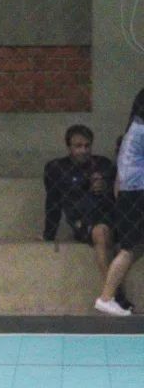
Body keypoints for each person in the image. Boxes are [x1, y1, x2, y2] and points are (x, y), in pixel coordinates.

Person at [44, 125, 118, 299]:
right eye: (78, 146)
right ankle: (112, 294)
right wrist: (49, 233)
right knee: (100, 233)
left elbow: (115, 196)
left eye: (87, 146)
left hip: (108, 216)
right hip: (83, 220)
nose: (83, 150)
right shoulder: (58, 168)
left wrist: (104, 187)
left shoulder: (103, 164)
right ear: (69, 147)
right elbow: (53, 202)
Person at [96, 90, 144, 316]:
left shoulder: (134, 129)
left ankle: (109, 296)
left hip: (131, 193)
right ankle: (106, 297)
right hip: (136, 195)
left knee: (135, 247)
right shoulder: (141, 131)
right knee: (128, 249)